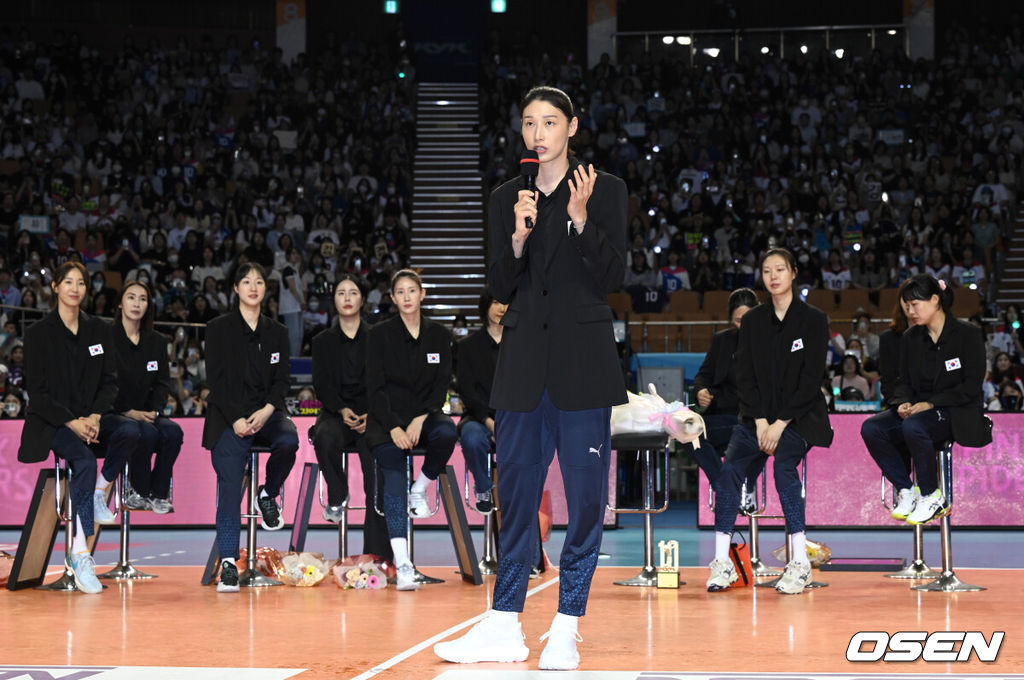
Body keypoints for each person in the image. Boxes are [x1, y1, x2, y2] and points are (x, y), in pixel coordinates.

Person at [435, 85, 627, 670]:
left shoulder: (605, 190)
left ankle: (567, 626)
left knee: (586, 498)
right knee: (515, 496)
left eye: (549, 122)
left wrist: (576, 222)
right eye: (528, 123)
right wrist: (518, 237)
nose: (538, 133)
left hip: (583, 364)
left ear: (572, 127)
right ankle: (503, 622)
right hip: (520, 368)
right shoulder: (505, 197)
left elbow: (614, 274)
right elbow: (498, 285)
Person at [705, 248, 833, 595]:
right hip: (756, 419)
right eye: (766, 271)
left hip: (799, 418)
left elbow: (810, 381)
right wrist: (761, 422)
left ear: (793, 273)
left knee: (783, 469)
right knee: (729, 470)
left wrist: (779, 424)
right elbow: (745, 376)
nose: (773, 276)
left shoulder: (814, 320)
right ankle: (721, 563)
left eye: (780, 269)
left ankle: (800, 564)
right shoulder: (753, 321)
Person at [17, 261, 140, 594]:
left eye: (81, 283)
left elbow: (110, 383)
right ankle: (81, 552)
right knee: (83, 461)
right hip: (54, 422)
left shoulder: (98, 330)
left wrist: (97, 417)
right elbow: (38, 394)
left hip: (92, 419)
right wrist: (72, 422)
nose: (75, 288)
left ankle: (101, 491)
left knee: (130, 432)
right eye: (67, 282)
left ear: (87, 289)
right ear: (55, 287)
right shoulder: (38, 333)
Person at [861, 274, 991, 525]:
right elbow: (903, 382)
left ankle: (932, 495)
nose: (910, 311)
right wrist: (902, 403)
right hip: (920, 412)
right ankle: (907, 489)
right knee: (872, 428)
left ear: (935, 300)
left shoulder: (968, 334)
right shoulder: (910, 338)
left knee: (914, 425)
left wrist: (931, 404)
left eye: (915, 304)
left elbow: (971, 386)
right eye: (906, 305)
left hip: (955, 411)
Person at [203, 262, 298, 593]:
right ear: (236, 288)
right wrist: (236, 419)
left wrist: (268, 410)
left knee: (289, 441)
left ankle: (267, 493)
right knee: (229, 489)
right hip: (229, 417)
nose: (253, 287)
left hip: (267, 412)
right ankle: (229, 563)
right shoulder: (218, 329)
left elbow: (282, 379)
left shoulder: (278, 332)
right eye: (246, 282)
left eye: (259, 282)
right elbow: (215, 380)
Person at [365, 269, 457, 591]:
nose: (406, 297)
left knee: (447, 433)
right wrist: (392, 426)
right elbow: (374, 387)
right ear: (393, 298)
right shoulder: (378, 335)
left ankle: (421, 486)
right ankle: (403, 564)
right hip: (385, 421)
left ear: (422, 294)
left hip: (425, 416)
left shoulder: (438, 334)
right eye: (400, 292)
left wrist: (421, 417)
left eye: (411, 291)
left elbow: (441, 382)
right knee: (392, 476)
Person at [310, 274, 392, 560]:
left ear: (362, 299)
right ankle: (337, 493)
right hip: (336, 412)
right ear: (334, 300)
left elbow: (384, 379)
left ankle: (376, 555)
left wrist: (372, 413)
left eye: (353, 292)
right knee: (324, 436)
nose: (346, 298)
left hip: (372, 415)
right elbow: (321, 383)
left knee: (376, 479)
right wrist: (341, 409)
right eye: (341, 293)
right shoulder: (322, 341)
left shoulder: (379, 337)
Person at [687, 288, 764, 510]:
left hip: (749, 420)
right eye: (738, 320)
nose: (743, 325)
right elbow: (703, 375)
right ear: (731, 318)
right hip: (720, 415)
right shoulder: (721, 341)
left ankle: (728, 486)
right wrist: (701, 391)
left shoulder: (770, 344)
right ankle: (723, 484)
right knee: (686, 432)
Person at [111, 280, 183, 514]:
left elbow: (163, 382)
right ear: (121, 304)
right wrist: (127, 411)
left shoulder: (156, 341)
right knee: (148, 433)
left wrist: (154, 410)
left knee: (173, 432)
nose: (137, 303)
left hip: (146, 412)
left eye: (142, 299)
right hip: (116, 412)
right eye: (131, 297)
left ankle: (158, 494)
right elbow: (104, 381)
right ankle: (137, 490)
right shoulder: (107, 337)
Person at [456, 287, 507, 512]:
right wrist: (490, 422)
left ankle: (519, 495)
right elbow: (467, 391)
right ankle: (483, 488)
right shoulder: (468, 346)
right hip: (480, 417)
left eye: (506, 303)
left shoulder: (524, 344)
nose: (502, 308)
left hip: (516, 417)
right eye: (496, 302)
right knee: (472, 438)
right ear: (485, 307)